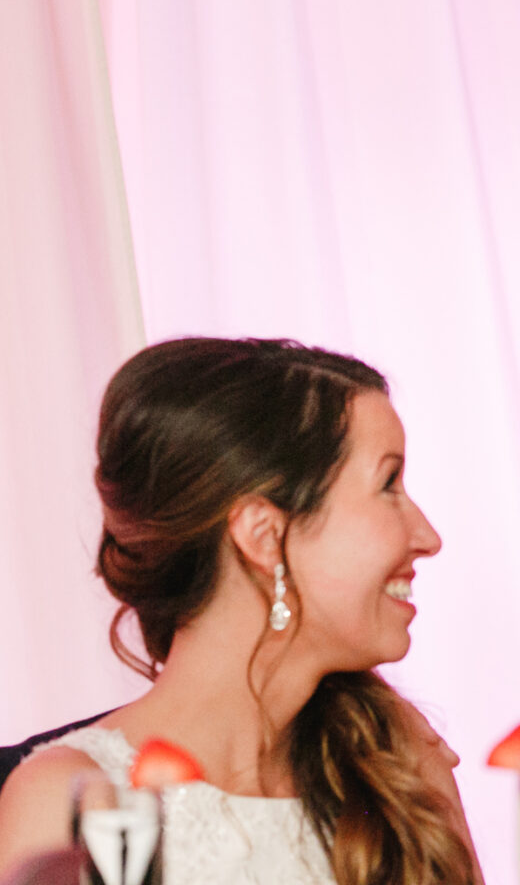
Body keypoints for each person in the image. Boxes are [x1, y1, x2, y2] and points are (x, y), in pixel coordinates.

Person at [0, 338, 481, 885]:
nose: (428, 537)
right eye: (388, 484)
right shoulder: (75, 801)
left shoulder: (398, 769)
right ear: (264, 537)